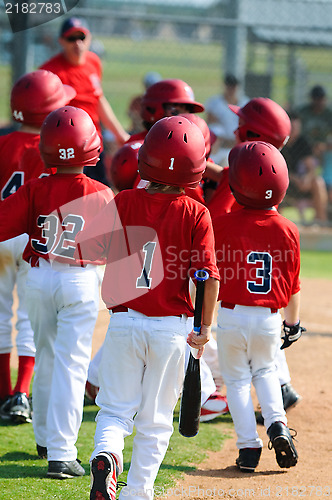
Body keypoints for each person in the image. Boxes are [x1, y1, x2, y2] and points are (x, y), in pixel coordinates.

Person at [75, 116, 220, 500]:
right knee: (155, 423)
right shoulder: (196, 212)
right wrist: (204, 329)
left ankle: (106, 455)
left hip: (123, 325)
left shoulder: (123, 200)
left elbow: (90, 250)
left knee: (114, 411)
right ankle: (137, 493)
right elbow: (207, 277)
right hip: (171, 330)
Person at [0, 106, 113, 477]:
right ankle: (61, 454)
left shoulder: (36, 187)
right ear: (90, 148)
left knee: (47, 357)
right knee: (70, 365)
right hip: (79, 282)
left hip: (38, 277)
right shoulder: (101, 193)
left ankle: (47, 439)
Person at [213, 141, 303, 472]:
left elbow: (210, 278)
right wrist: (292, 326)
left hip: (231, 316)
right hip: (269, 318)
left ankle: (248, 448)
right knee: (266, 371)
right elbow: (293, 287)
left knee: (236, 382)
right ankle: (277, 425)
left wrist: (202, 322)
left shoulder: (220, 224)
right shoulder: (288, 229)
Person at [0, 70, 76, 424]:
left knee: (1, 314)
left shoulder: (3, 143)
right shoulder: (51, 147)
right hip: (35, 236)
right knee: (30, 319)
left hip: (2, 235)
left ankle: (3, 392)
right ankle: (22, 393)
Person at [40, 16, 130, 185]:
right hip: (68, 150)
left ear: (89, 39)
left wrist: (119, 134)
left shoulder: (93, 62)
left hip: (94, 143)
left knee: (100, 194)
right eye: (71, 38)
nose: (77, 44)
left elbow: (99, 99)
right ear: (61, 41)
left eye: (82, 38)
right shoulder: (50, 72)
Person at [281, 111, 328, 224]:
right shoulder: (280, 142)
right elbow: (277, 170)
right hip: (284, 182)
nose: (295, 131)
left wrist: (306, 178)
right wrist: (295, 179)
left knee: (318, 182)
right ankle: (275, 223)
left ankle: (321, 220)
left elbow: (311, 167)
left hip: (301, 183)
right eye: (292, 128)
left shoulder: (302, 142)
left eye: (297, 128)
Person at [205, 73, 249, 165]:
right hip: (219, 146)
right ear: (225, 86)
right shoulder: (214, 102)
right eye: (229, 86)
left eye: (233, 86)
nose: (231, 89)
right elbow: (210, 123)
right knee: (215, 129)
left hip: (238, 144)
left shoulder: (245, 103)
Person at [297, 85, 332, 158]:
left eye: (321, 99)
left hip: (324, 147)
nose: (319, 102)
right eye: (317, 99)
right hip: (304, 146)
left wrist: (324, 146)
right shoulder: (303, 112)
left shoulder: (329, 114)